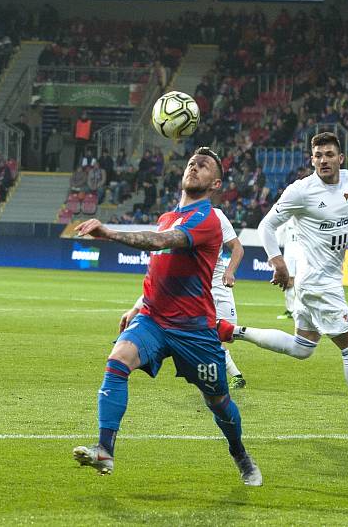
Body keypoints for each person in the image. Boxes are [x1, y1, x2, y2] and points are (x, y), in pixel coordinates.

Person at [72, 147, 262, 486]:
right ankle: (105, 448)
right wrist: (137, 305)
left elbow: (159, 242)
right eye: (192, 163)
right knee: (117, 362)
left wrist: (109, 233)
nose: (195, 166)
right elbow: (160, 267)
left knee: (219, 402)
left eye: (204, 166)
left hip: (194, 330)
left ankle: (240, 455)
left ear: (215, 183)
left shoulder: (207, 218)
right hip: (154, 320)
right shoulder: (168, 216)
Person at [216, 132, 348, 436]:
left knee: (302, 347)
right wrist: (277, 261)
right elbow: (267, 225)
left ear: (340, 158)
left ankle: (233, 331)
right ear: (312, 160)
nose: (323, 160)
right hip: (318, 284)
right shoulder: (301, 191)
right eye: (318, 155)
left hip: (326, 279)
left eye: (329, 154)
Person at [120, 207, 249, 389]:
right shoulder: (173, 219)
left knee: (225, 335)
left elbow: (237, 247)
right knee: (208, 334)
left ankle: (226, 371)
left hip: (218, 286)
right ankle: (234, 376)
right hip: (191, 288)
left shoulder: (215, 215)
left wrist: (230, 271)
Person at [275, 216, 299, 320]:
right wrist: (272, 253)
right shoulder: (286, 217)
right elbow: (278, 233)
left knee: (303, 281)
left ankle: (302, 310)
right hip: (289, 253)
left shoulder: (306, 215)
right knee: (289, 282)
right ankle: (290, 310)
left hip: (304, 253)